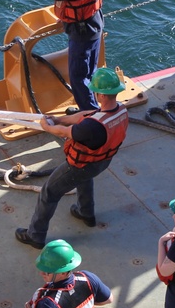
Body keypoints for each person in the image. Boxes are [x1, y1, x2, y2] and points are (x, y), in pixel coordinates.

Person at [15, 67, 128, 249]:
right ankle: (86, 213)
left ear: (101, 95)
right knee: (85, 179)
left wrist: (47, 126)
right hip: (102, 162)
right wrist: (58, 119)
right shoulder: (120, 110)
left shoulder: (91, 128)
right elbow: (84, 116)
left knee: (49, 193)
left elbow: (64, 132)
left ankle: (35, 235)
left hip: (80, 166)